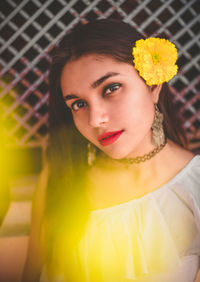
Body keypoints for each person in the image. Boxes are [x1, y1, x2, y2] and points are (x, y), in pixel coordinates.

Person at [22, 19, 200, 282]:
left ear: (153, 85)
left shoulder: (194, 188)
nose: (96, 120)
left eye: (111, 88)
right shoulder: (60, 178)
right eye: (79, 104)